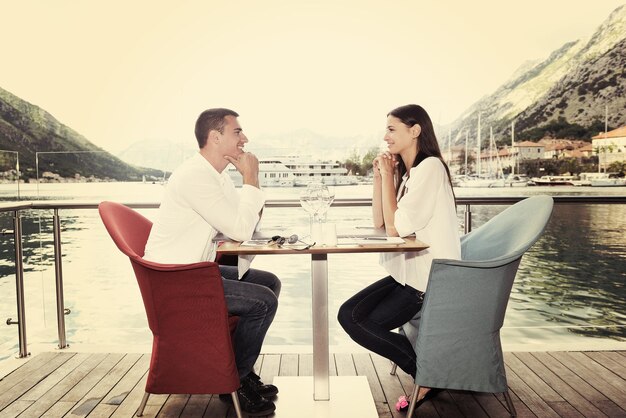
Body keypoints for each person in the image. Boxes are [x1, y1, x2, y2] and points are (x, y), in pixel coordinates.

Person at [143, 108, 280, 416]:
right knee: (264, 302)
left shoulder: (215, 176)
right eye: (237, 132)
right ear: (216, 138)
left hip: (196, 269)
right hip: (176, 280)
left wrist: (248, 186)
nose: (245, 138)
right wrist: (252, 178)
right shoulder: (195, 177)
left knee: (269, 281)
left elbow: (247, 224)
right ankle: (235, 379)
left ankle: (237, 370)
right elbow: (242, 229)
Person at [337, 104, 461, 408]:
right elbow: (380, 221)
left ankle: (426, 374)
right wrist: (382, 178)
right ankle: (427, 369)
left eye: (392, 129)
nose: (385, 136)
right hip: (409, 275)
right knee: (348, 315)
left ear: (415, 130)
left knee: (357, 322)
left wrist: (390, 175)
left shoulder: (430, 168)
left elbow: (395, 227)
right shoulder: (412, 175)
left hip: (428, 280)